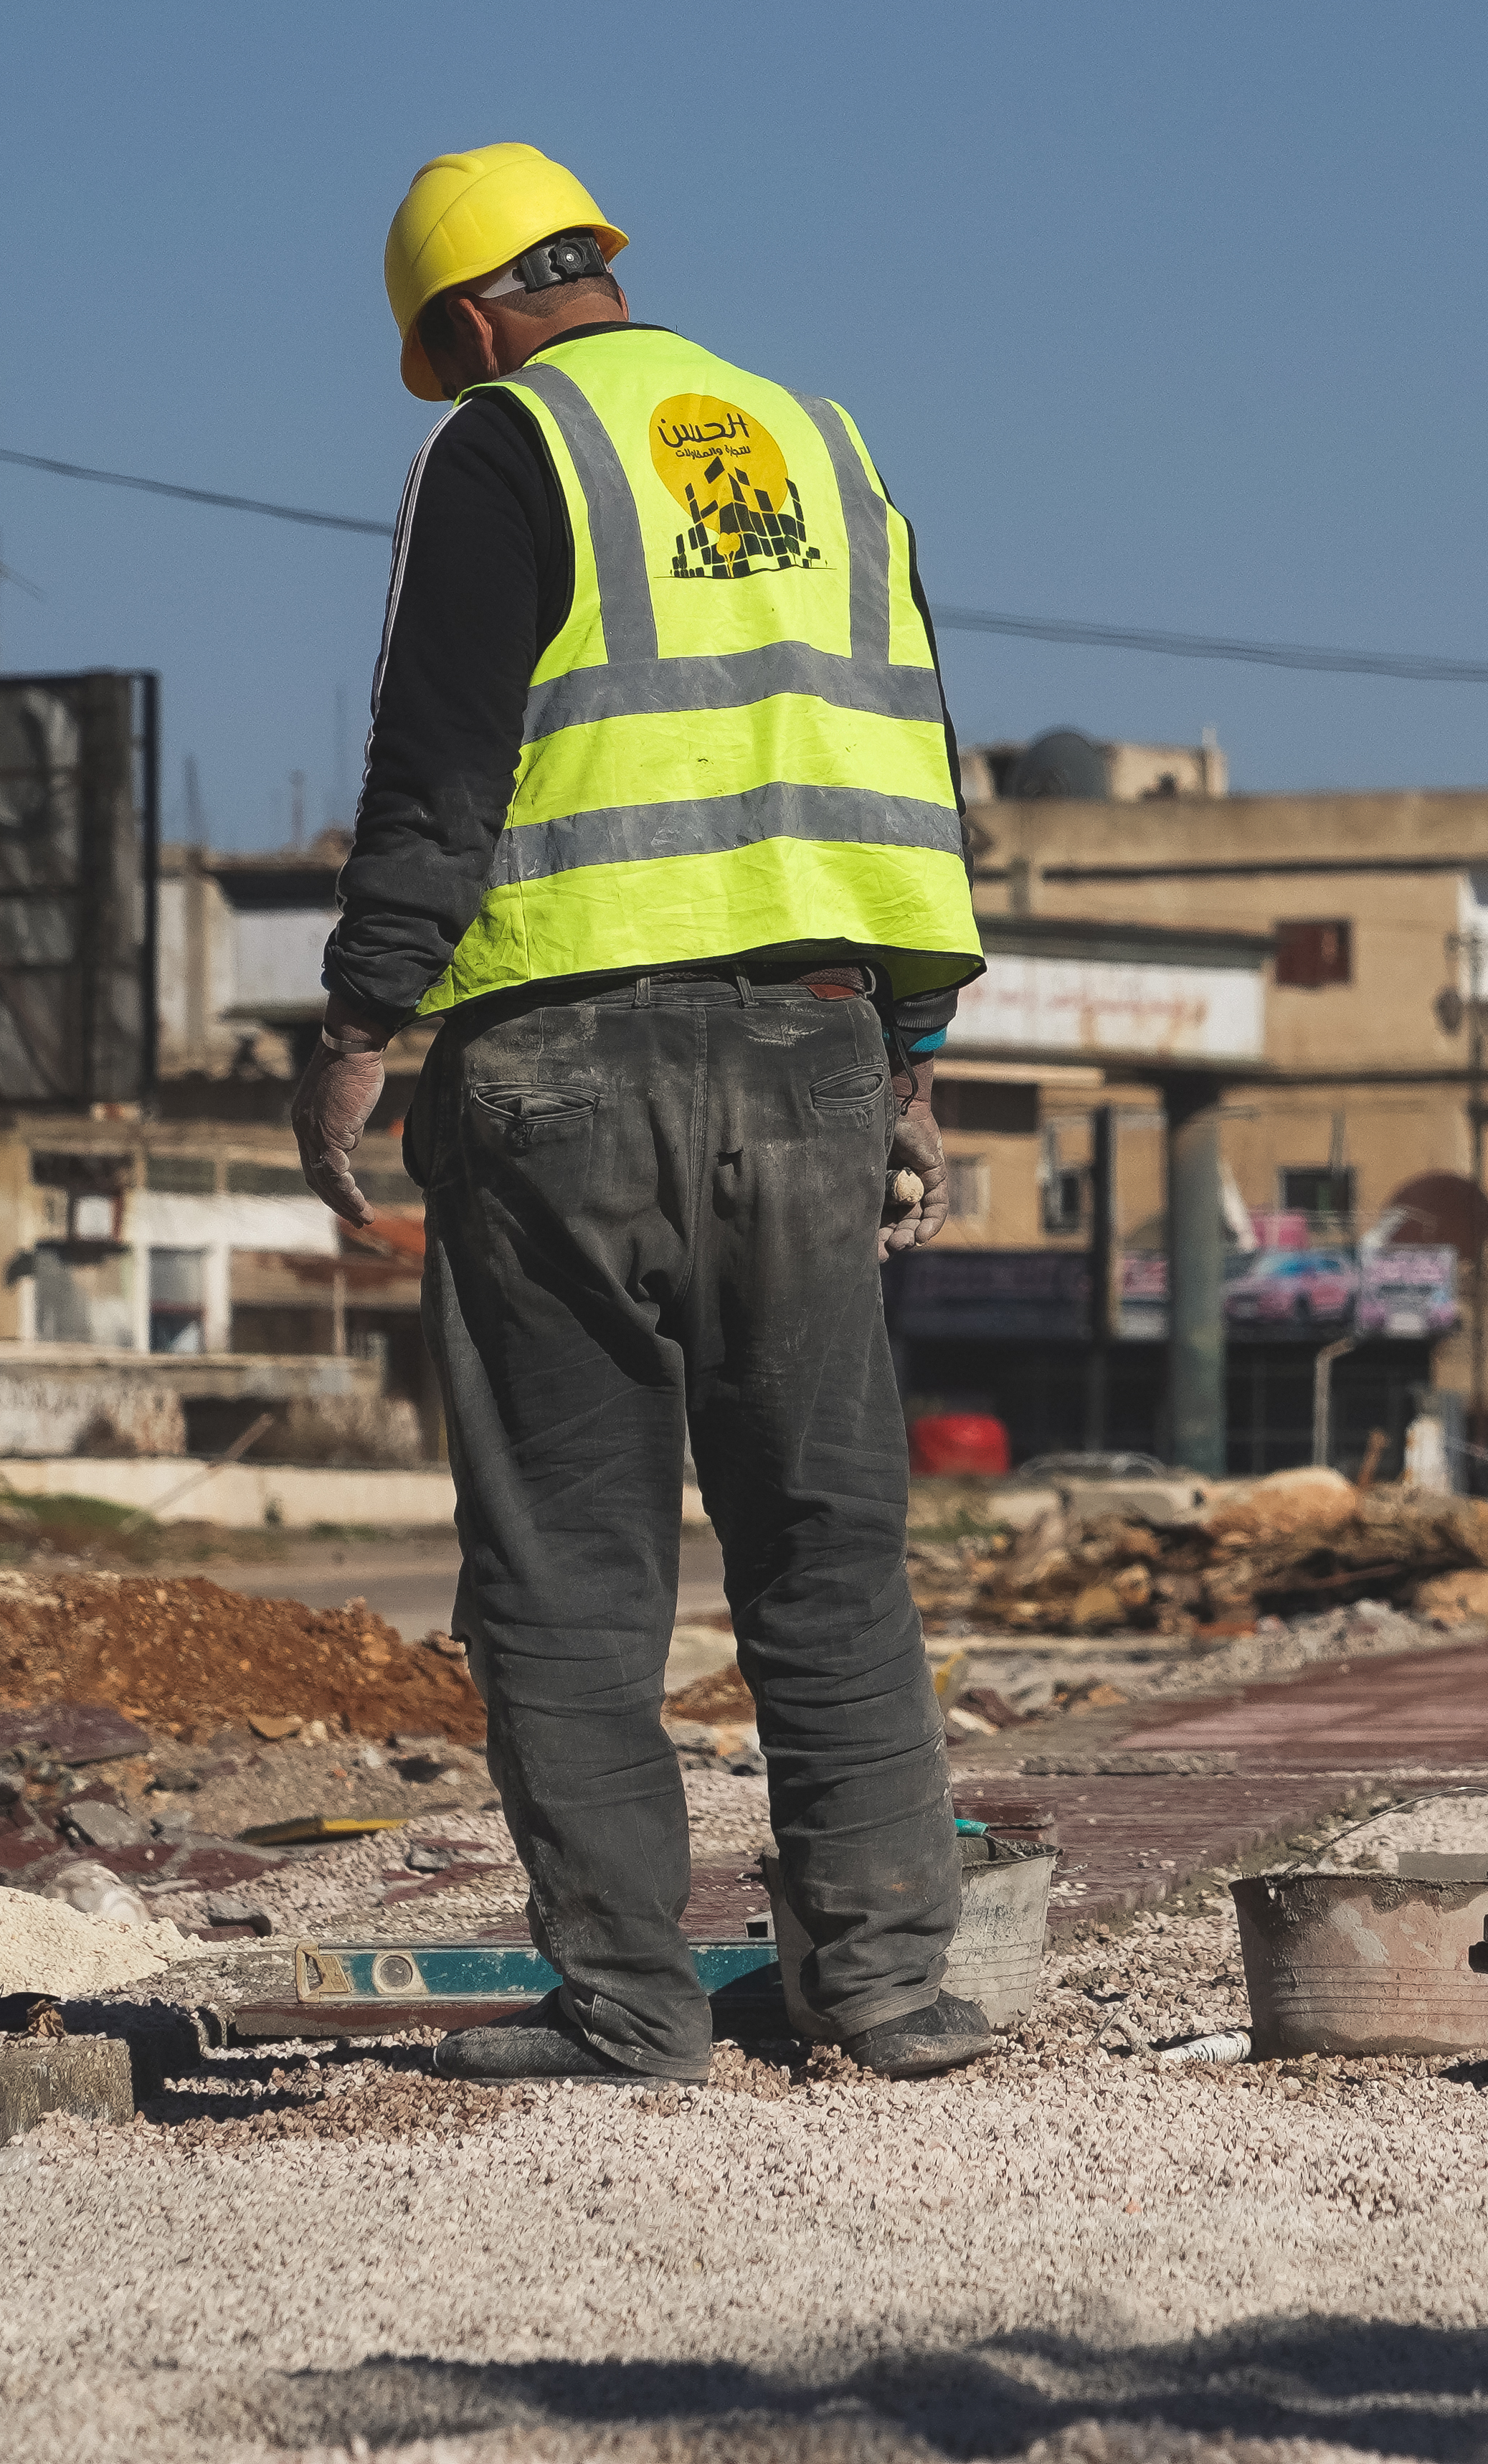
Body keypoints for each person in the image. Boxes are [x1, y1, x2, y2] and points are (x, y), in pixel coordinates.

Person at [290, 142, 990, 2086]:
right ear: (601, 262)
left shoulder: (511, 445)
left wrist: (362, 1017)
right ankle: (889, 1987)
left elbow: (440, 754)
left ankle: (631, 2008)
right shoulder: (823, 442)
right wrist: (910, 1038)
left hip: (563, 1069)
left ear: (467, 321)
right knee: (827, 1543)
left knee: (572, 1565)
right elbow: (908, 742)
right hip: (814, 1050)